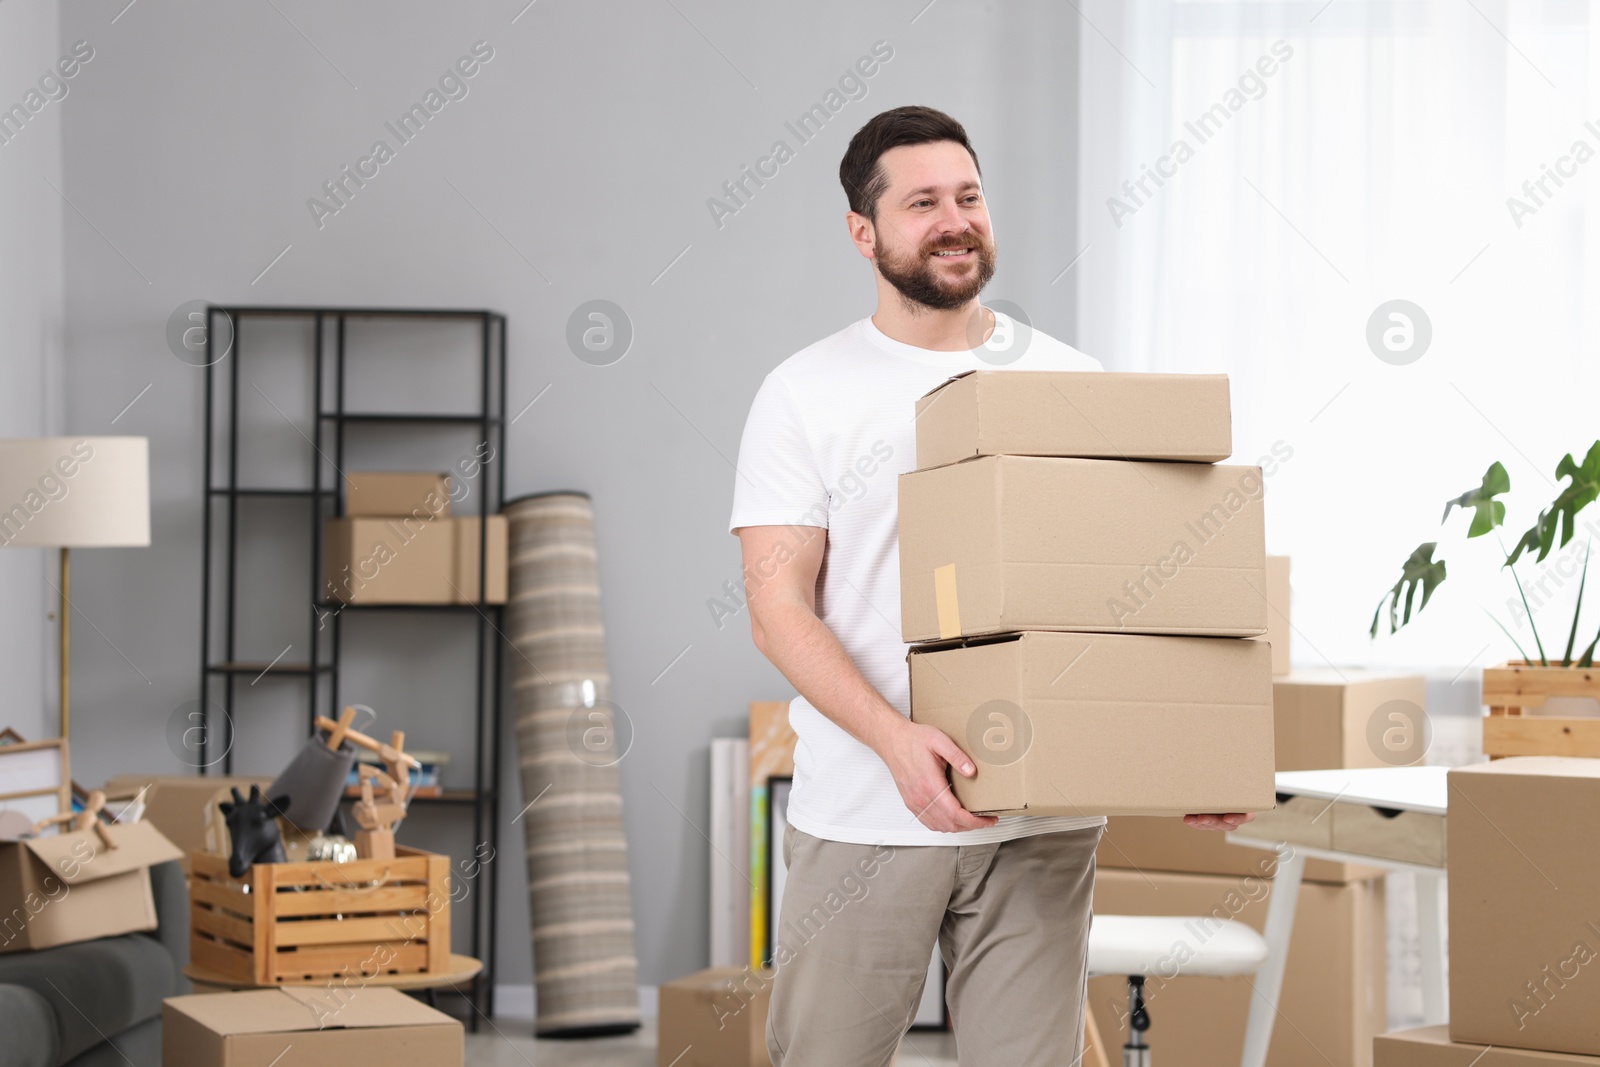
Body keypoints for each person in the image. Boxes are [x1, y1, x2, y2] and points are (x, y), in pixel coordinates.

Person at [727, 104, 1253, 1067]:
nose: (953, 219)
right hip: (865, 813)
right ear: (864, 231)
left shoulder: (1066, 377)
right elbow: (775, 606)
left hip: (1040, 817)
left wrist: (1189, 755)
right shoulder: (805, 391)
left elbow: (1128, 596)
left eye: (967, 195)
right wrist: (897, 743)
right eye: (922, 201)